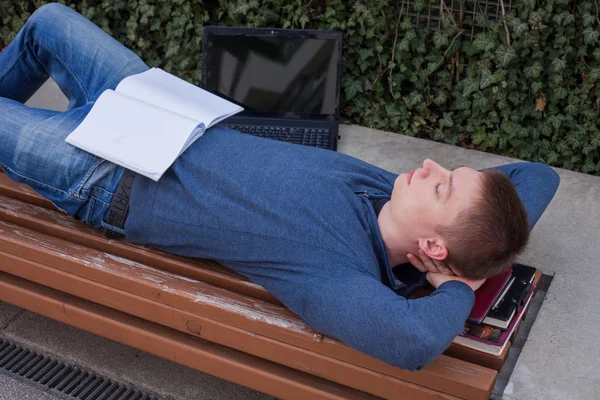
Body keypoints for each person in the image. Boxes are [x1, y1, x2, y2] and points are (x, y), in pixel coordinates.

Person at [0, 3, 560, 371]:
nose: (432, 166)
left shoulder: (334, 271)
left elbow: (412, 342)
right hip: (161, 110)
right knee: (48, 20)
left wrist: (458, 286)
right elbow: (539, 177)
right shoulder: (390, 192)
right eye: (449, 174)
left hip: (107, 175)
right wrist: (479, 256)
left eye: (442, 188)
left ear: (433, 248)